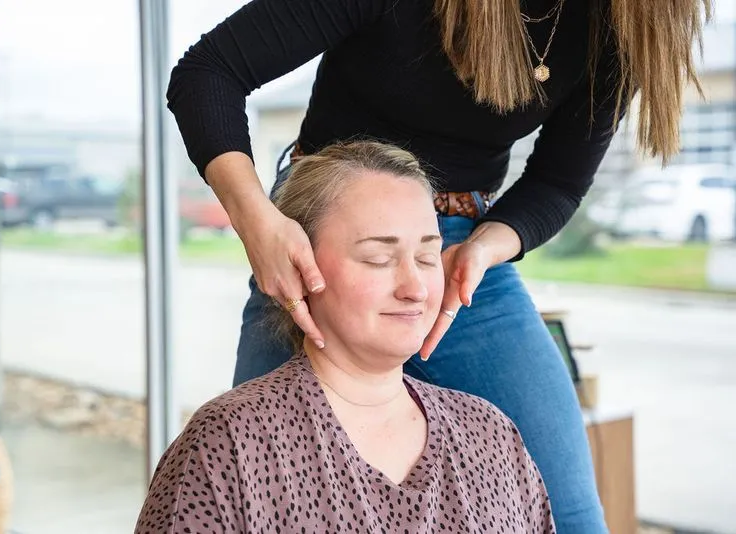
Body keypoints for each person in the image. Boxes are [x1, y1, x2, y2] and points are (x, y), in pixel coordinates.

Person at [166, 1, 712, 531]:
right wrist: (257, 222)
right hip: (330, 232)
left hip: (464, 244)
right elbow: (208, 73)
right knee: (251, 472)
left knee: (572, 515)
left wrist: (486, 249)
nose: (412, 286)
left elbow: (559, 181)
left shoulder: (625, 19)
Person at [135, 142, 555, 534]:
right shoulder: (228, 443)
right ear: (297, 267)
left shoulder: (491, 435)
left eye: (427, 257)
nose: (415, 288)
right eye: (378, 258)